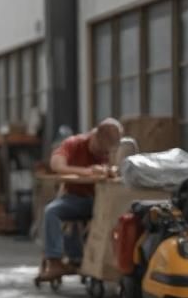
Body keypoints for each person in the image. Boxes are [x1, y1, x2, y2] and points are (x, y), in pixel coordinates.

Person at [37, 118, 124, 282]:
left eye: (107, 153)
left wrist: (111, 170)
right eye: (101, 151)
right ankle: (55, 261)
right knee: (51, 212)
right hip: (77, 199)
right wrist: (88, 172)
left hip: (104, 200)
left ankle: (111, 263)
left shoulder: (114, 150)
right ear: (94, 136)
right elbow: (56, 165)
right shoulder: (74, 144)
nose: (103, 155)